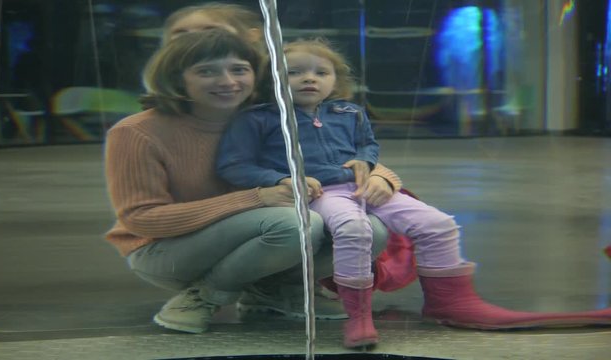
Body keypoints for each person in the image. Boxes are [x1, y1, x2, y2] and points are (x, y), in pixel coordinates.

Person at [216, 38, 611, 348]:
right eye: (294, 72)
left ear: (337, 79)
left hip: (362, 186)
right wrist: (281, 179)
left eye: (321, 72)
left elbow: (367, 146)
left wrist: (368, 166)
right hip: (320, 194)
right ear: (272, 80)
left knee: (438, 223)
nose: (309, 79)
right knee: (355, 232)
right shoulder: (259, 119)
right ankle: (359, 316)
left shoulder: (349, 113)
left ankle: (448, 302)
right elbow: (233, 165)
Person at [103, 29, 402, 335]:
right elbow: (142, 219)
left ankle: (277, 290)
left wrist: (381, 175)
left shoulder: (268, 116)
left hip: (262, 234)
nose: (228, 82)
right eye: (206, 71)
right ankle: (205, 295)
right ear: (177, 78)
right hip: (167, 252)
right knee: (298, 224)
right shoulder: (136, 133)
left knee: (371, 230)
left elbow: (339, 157)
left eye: (239, 70)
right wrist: (257, 197)